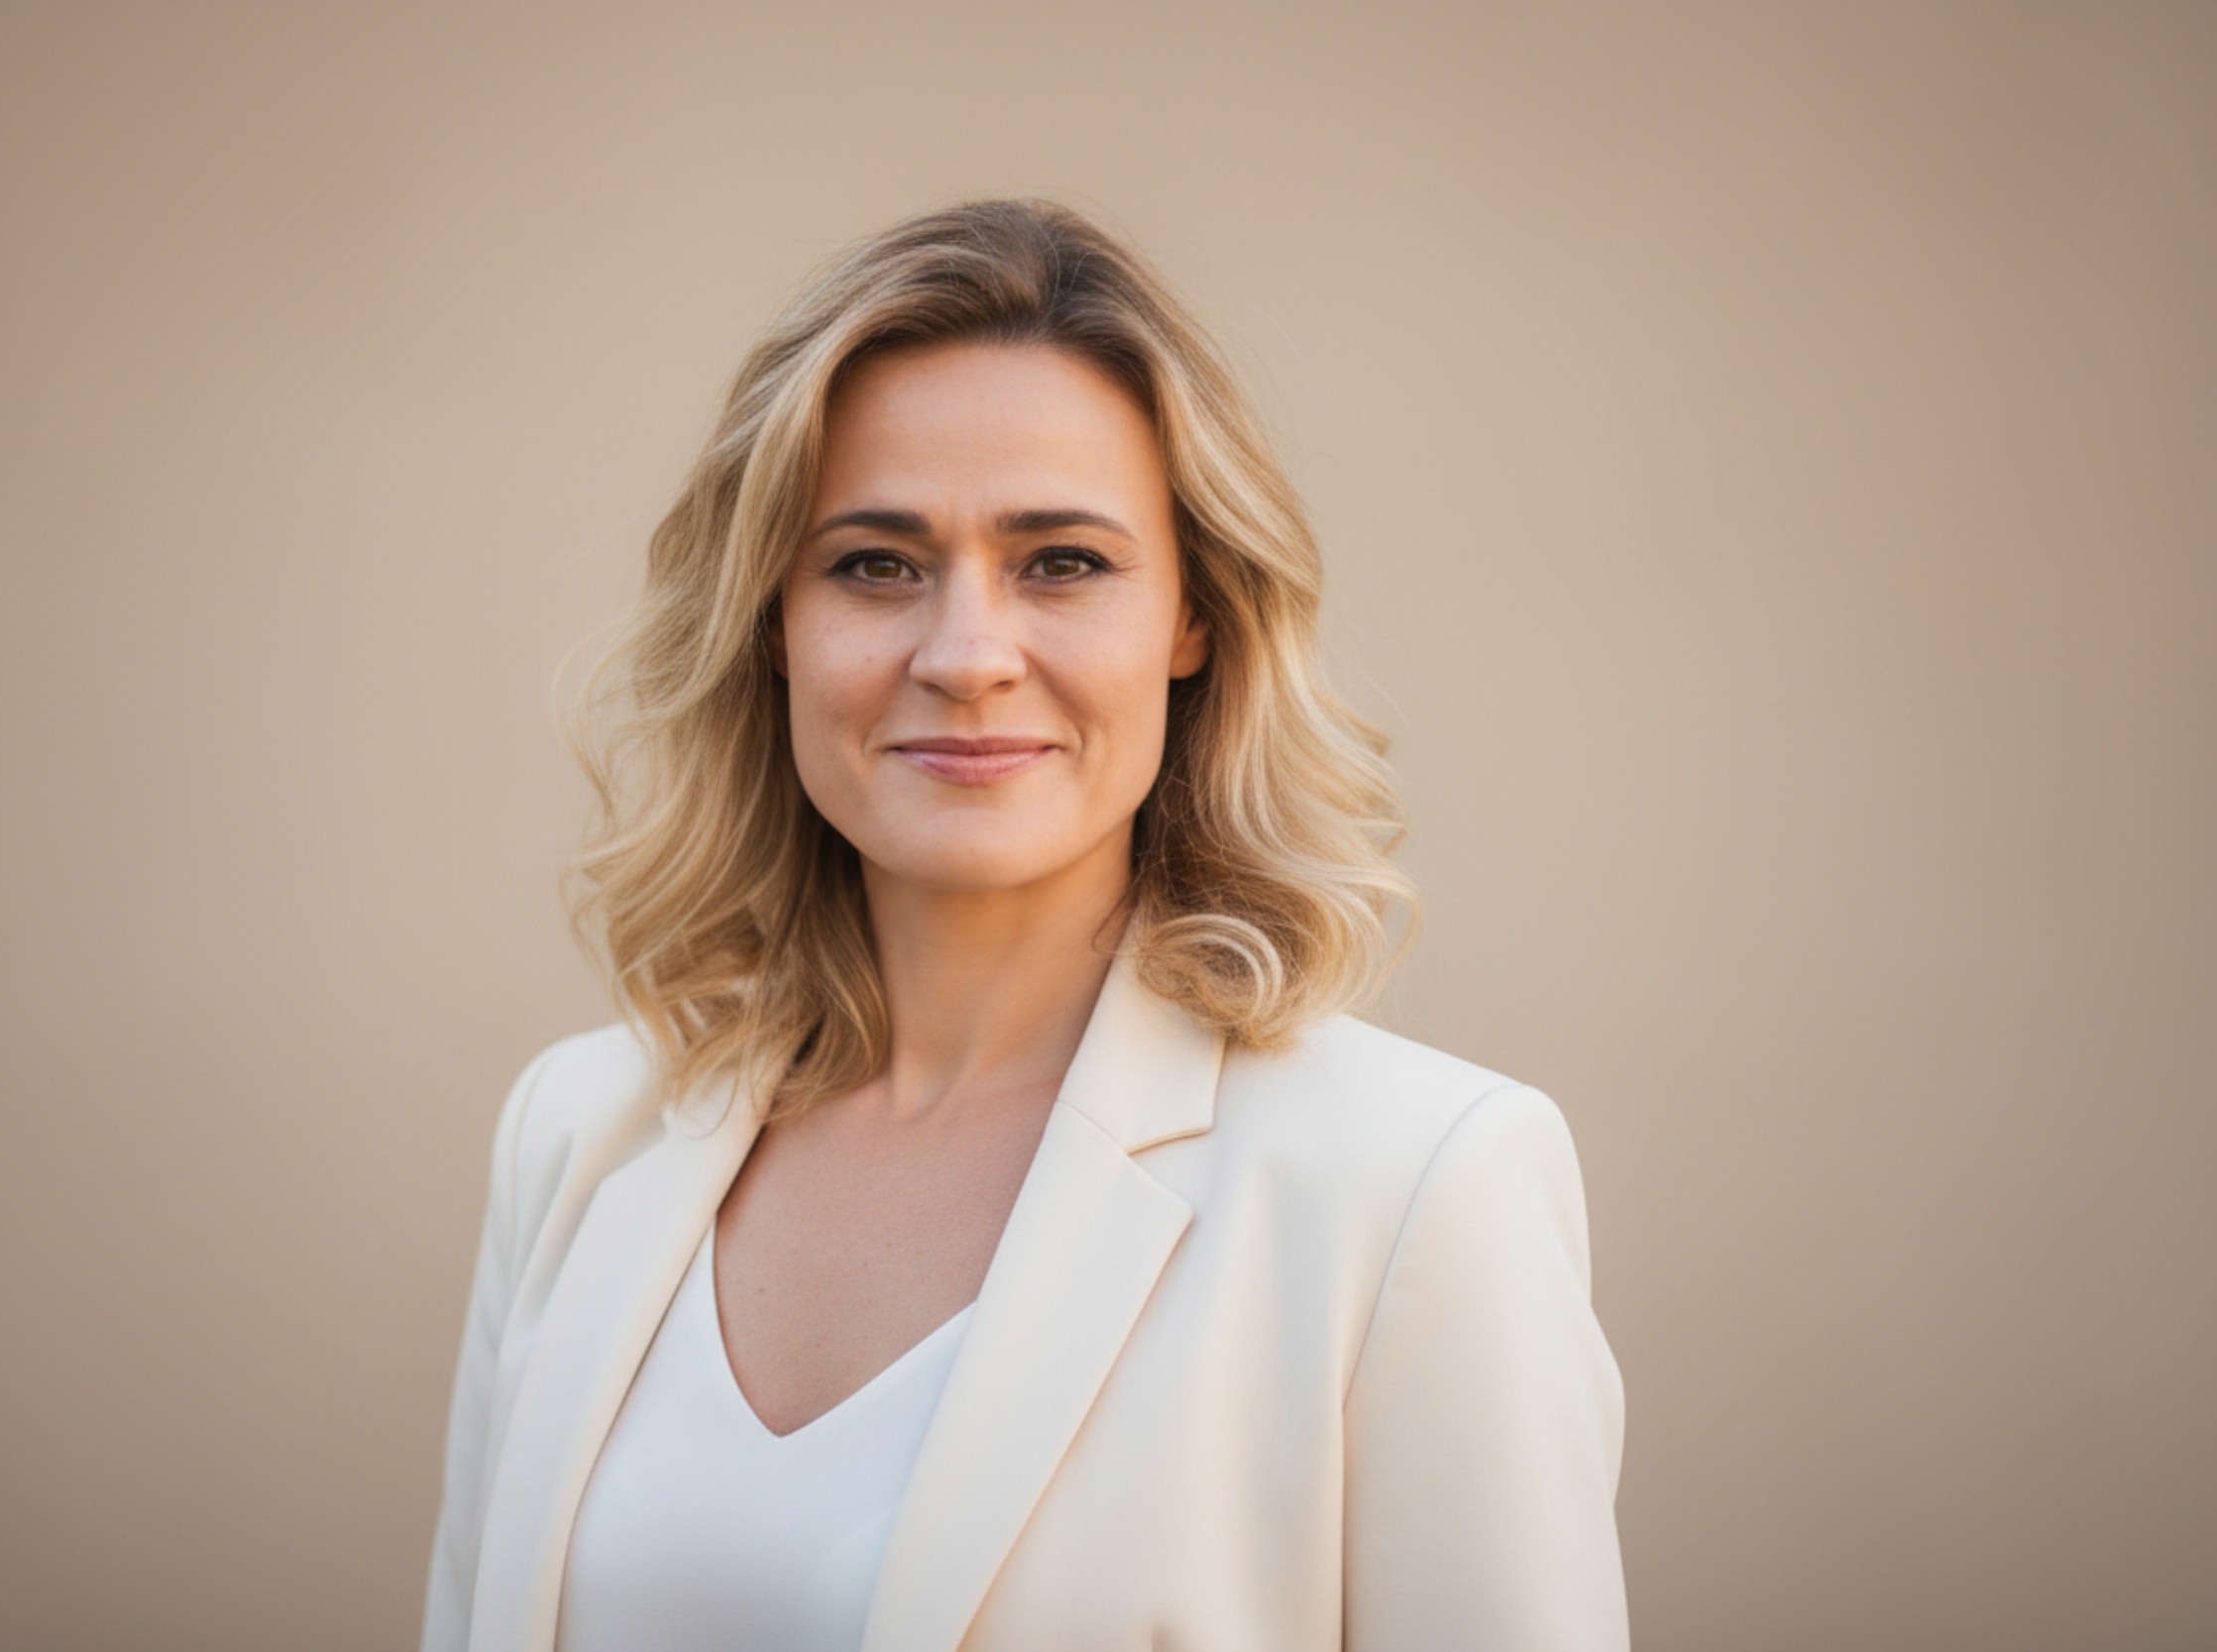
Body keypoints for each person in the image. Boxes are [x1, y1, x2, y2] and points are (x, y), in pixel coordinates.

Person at [422, 199, 1627, 1652]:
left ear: (1197, 615)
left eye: (1062, 560)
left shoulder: (1420, 1188)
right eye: (874, 562)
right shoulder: (575, 1132)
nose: (967, 655)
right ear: (772, 621)